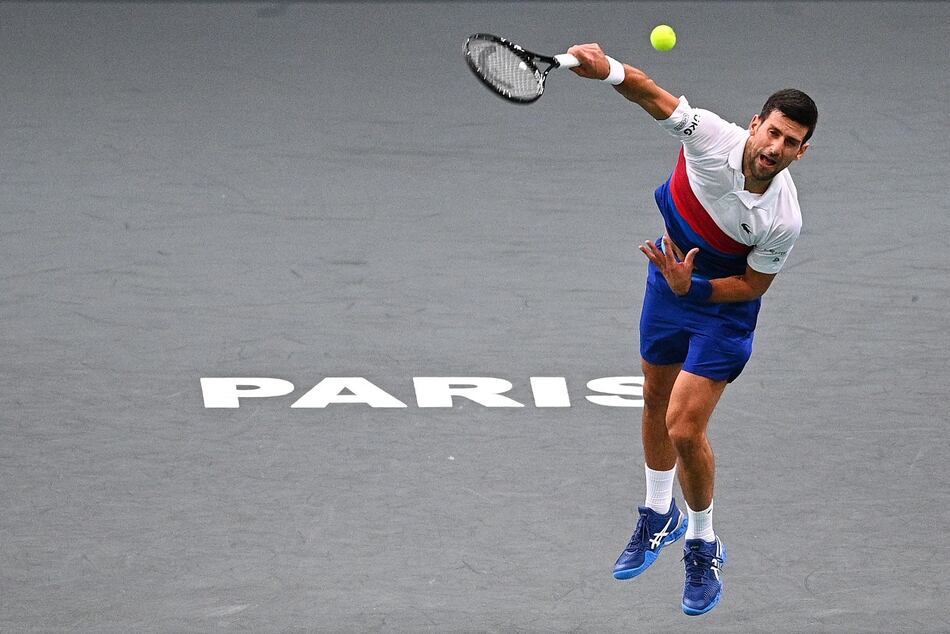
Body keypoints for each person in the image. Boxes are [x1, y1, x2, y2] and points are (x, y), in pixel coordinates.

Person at [566, 43, 817, 616]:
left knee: (683, 428)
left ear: (802, 153)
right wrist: (605, 70)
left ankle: (702, 542)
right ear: (754, 125)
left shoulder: (783, 218)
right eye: (772, 133)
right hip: (669, 280)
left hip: (721, 308)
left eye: (790, 143)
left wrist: (694, 289)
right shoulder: (711, 137)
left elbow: (753, 287)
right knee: (654, 397)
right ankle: (659, 514)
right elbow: (652, 95)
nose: (775, 148)